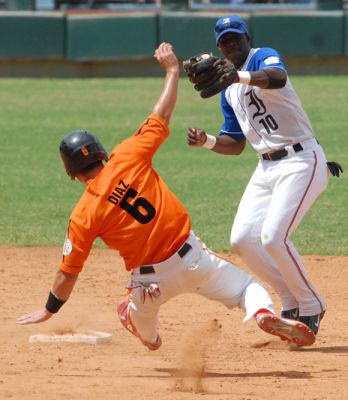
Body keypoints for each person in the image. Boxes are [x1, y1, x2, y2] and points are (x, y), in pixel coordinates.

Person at [17, 42, 315, 349]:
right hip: (193, 259)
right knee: (247, 288)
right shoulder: (127, 156)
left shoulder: (83, 215)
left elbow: (67, 274)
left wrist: (49, 308)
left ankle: (148, 333)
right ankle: (263, 312)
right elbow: (162, 112)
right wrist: (172, 71)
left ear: (71, 172)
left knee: (144, 328)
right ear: (101, 153)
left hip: (150, 283)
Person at [187, 15, 337, 339]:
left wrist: (238, 76)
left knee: (273, 237)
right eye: (225, 41)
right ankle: (290, 299)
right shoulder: (228, 92)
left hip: (302, 160)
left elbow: (277, 78)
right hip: (265, 167)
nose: (232, 44)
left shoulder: (263, 56)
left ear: (246, 38)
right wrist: (207, 141)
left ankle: (312, 304)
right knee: (242, 239)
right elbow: (236, 144)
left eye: (236, 38)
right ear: (219, 48)